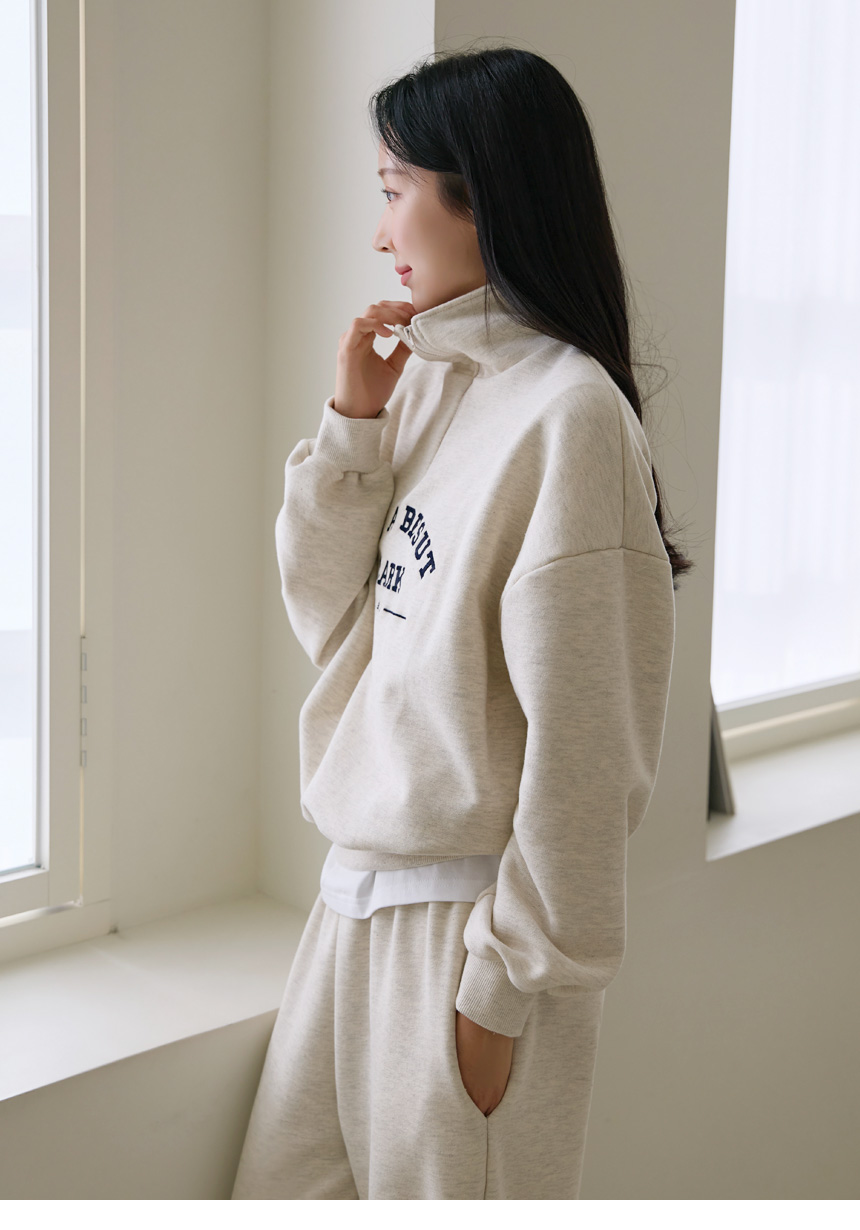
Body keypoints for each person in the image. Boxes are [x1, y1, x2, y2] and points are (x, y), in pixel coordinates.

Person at [231, 44, 691, 1201]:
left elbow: (587, 752)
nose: (379, 232)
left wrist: (498, 993)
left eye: (394, 191)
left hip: (462, 942)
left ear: (476, 198)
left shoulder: (570, 417)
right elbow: (331, 621)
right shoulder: (428, 379)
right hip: (347, 911)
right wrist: (352, 425)